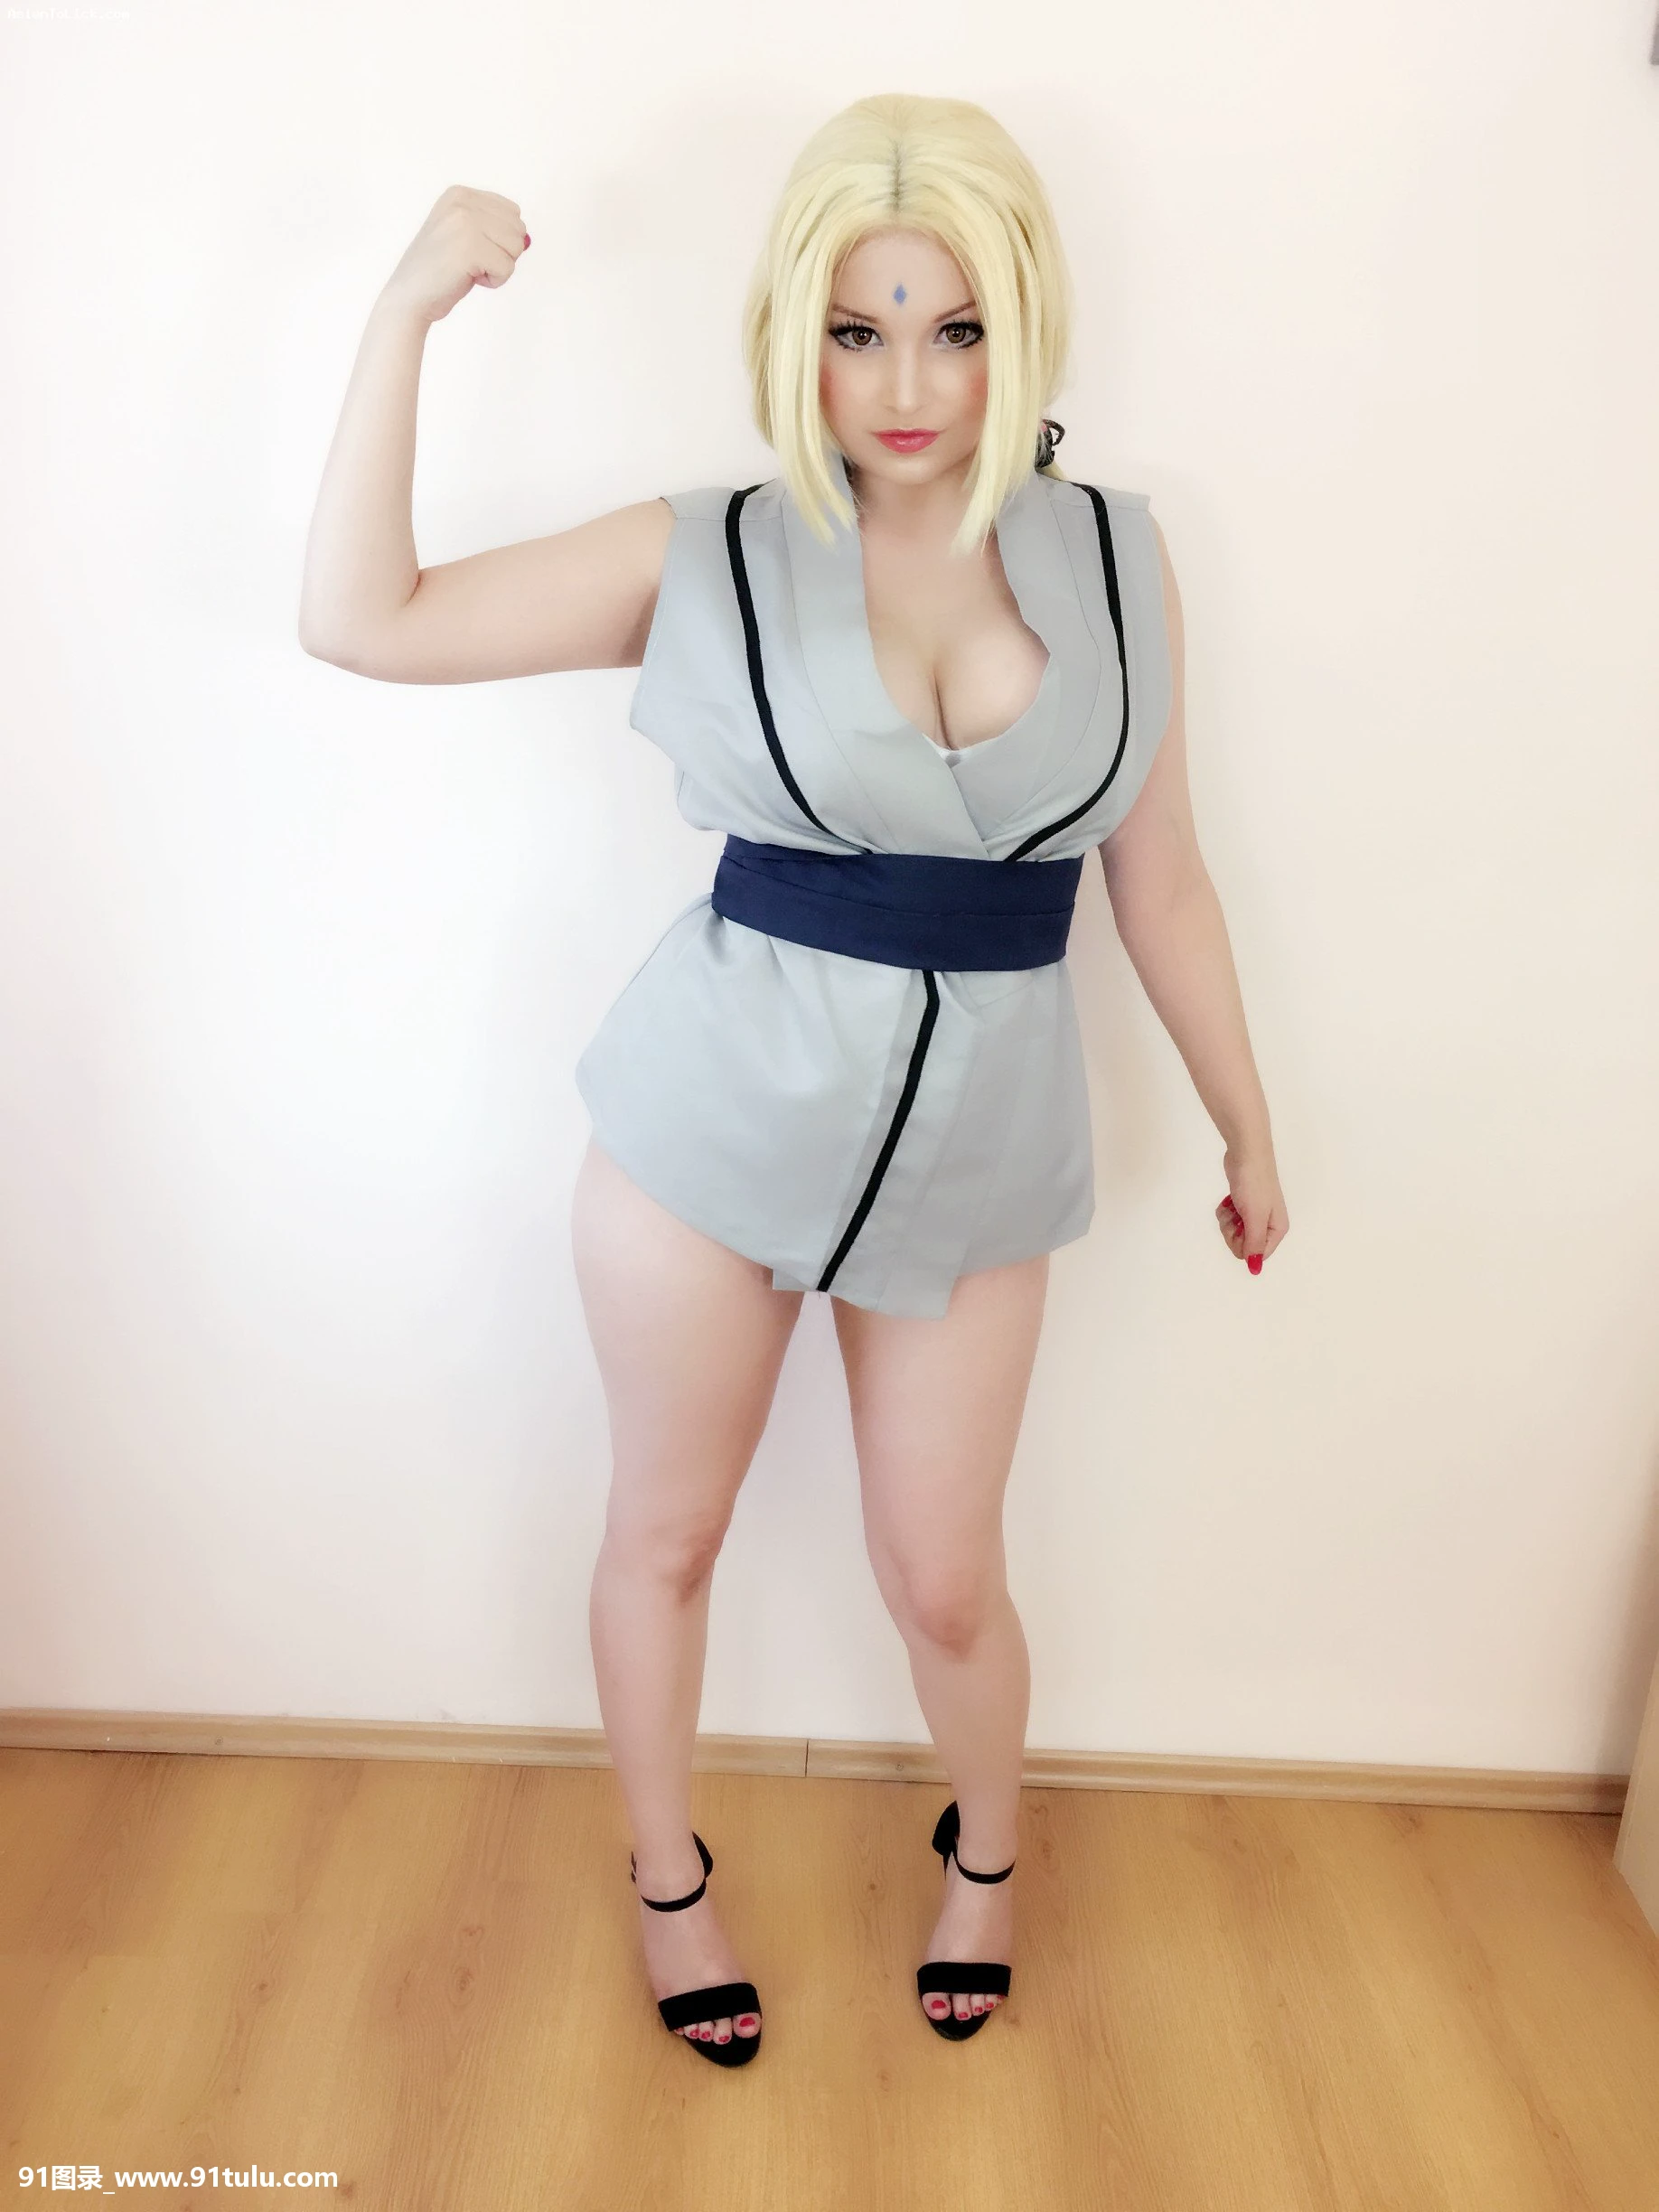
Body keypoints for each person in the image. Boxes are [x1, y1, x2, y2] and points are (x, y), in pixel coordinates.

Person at [298, 92, 1289, 2068]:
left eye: (955, 328)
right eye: (858, 330)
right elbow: (361, 618)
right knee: (666, 1536)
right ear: (795, 336)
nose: (906, 385)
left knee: (947, 1579)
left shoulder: (1119, 557)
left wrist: (1250, 1120)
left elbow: (1160, 876)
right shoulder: (707, 552)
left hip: (981, 1154)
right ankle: (669, 1880)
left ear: (1023, 325)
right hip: (707, 1132)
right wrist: (403, 311)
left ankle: (987, 1854)